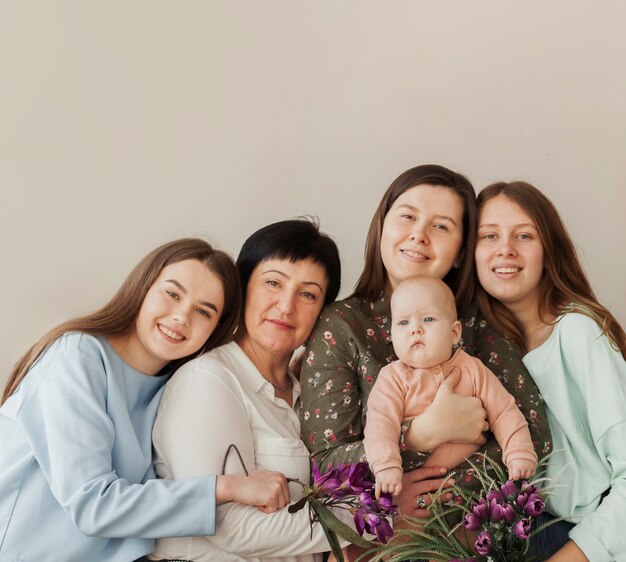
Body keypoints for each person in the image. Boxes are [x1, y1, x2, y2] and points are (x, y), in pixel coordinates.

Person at [0, 238, 290, 562]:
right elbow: (94, 505)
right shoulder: (77, 358)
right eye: (172, 293)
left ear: (214, 329)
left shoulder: (175, 389)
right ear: (143, 287)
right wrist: (227, 487)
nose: (182, 317)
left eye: (203, 312)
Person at [300, 164, 552, 518]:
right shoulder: (341, 326)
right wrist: (417, 436)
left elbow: (534, 435)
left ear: (461, 251)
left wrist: (445, 502)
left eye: (440, 226)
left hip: (472, 533)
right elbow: (325, 465)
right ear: (382, 226)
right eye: (407, 216)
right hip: (379, 534)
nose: (419, 235)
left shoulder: (479, 320)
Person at [150, 219, 350, 562]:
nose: (286, 306)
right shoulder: (208, 380)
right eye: (273, 283)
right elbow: (231, 527)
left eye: (307, 294)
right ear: (242, 287)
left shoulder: (309, 393)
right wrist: (376, 518)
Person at [475, 181, 626, 562]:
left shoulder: (577, 332)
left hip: (583, 537)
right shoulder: (474, 348)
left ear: (548, 250)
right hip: (511, 536)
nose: (505, 249)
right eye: (489, 235)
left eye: (524, 235)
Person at [364, 275, 537, 499]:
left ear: (454, 332)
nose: (415, 329)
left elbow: (504, 411)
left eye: (428, 319)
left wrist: (519, 452)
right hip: (414, 488)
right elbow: (380, 425)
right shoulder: (392, 378)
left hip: (471, 487)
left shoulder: (473, 369)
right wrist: (386, 466)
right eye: (403, 322)